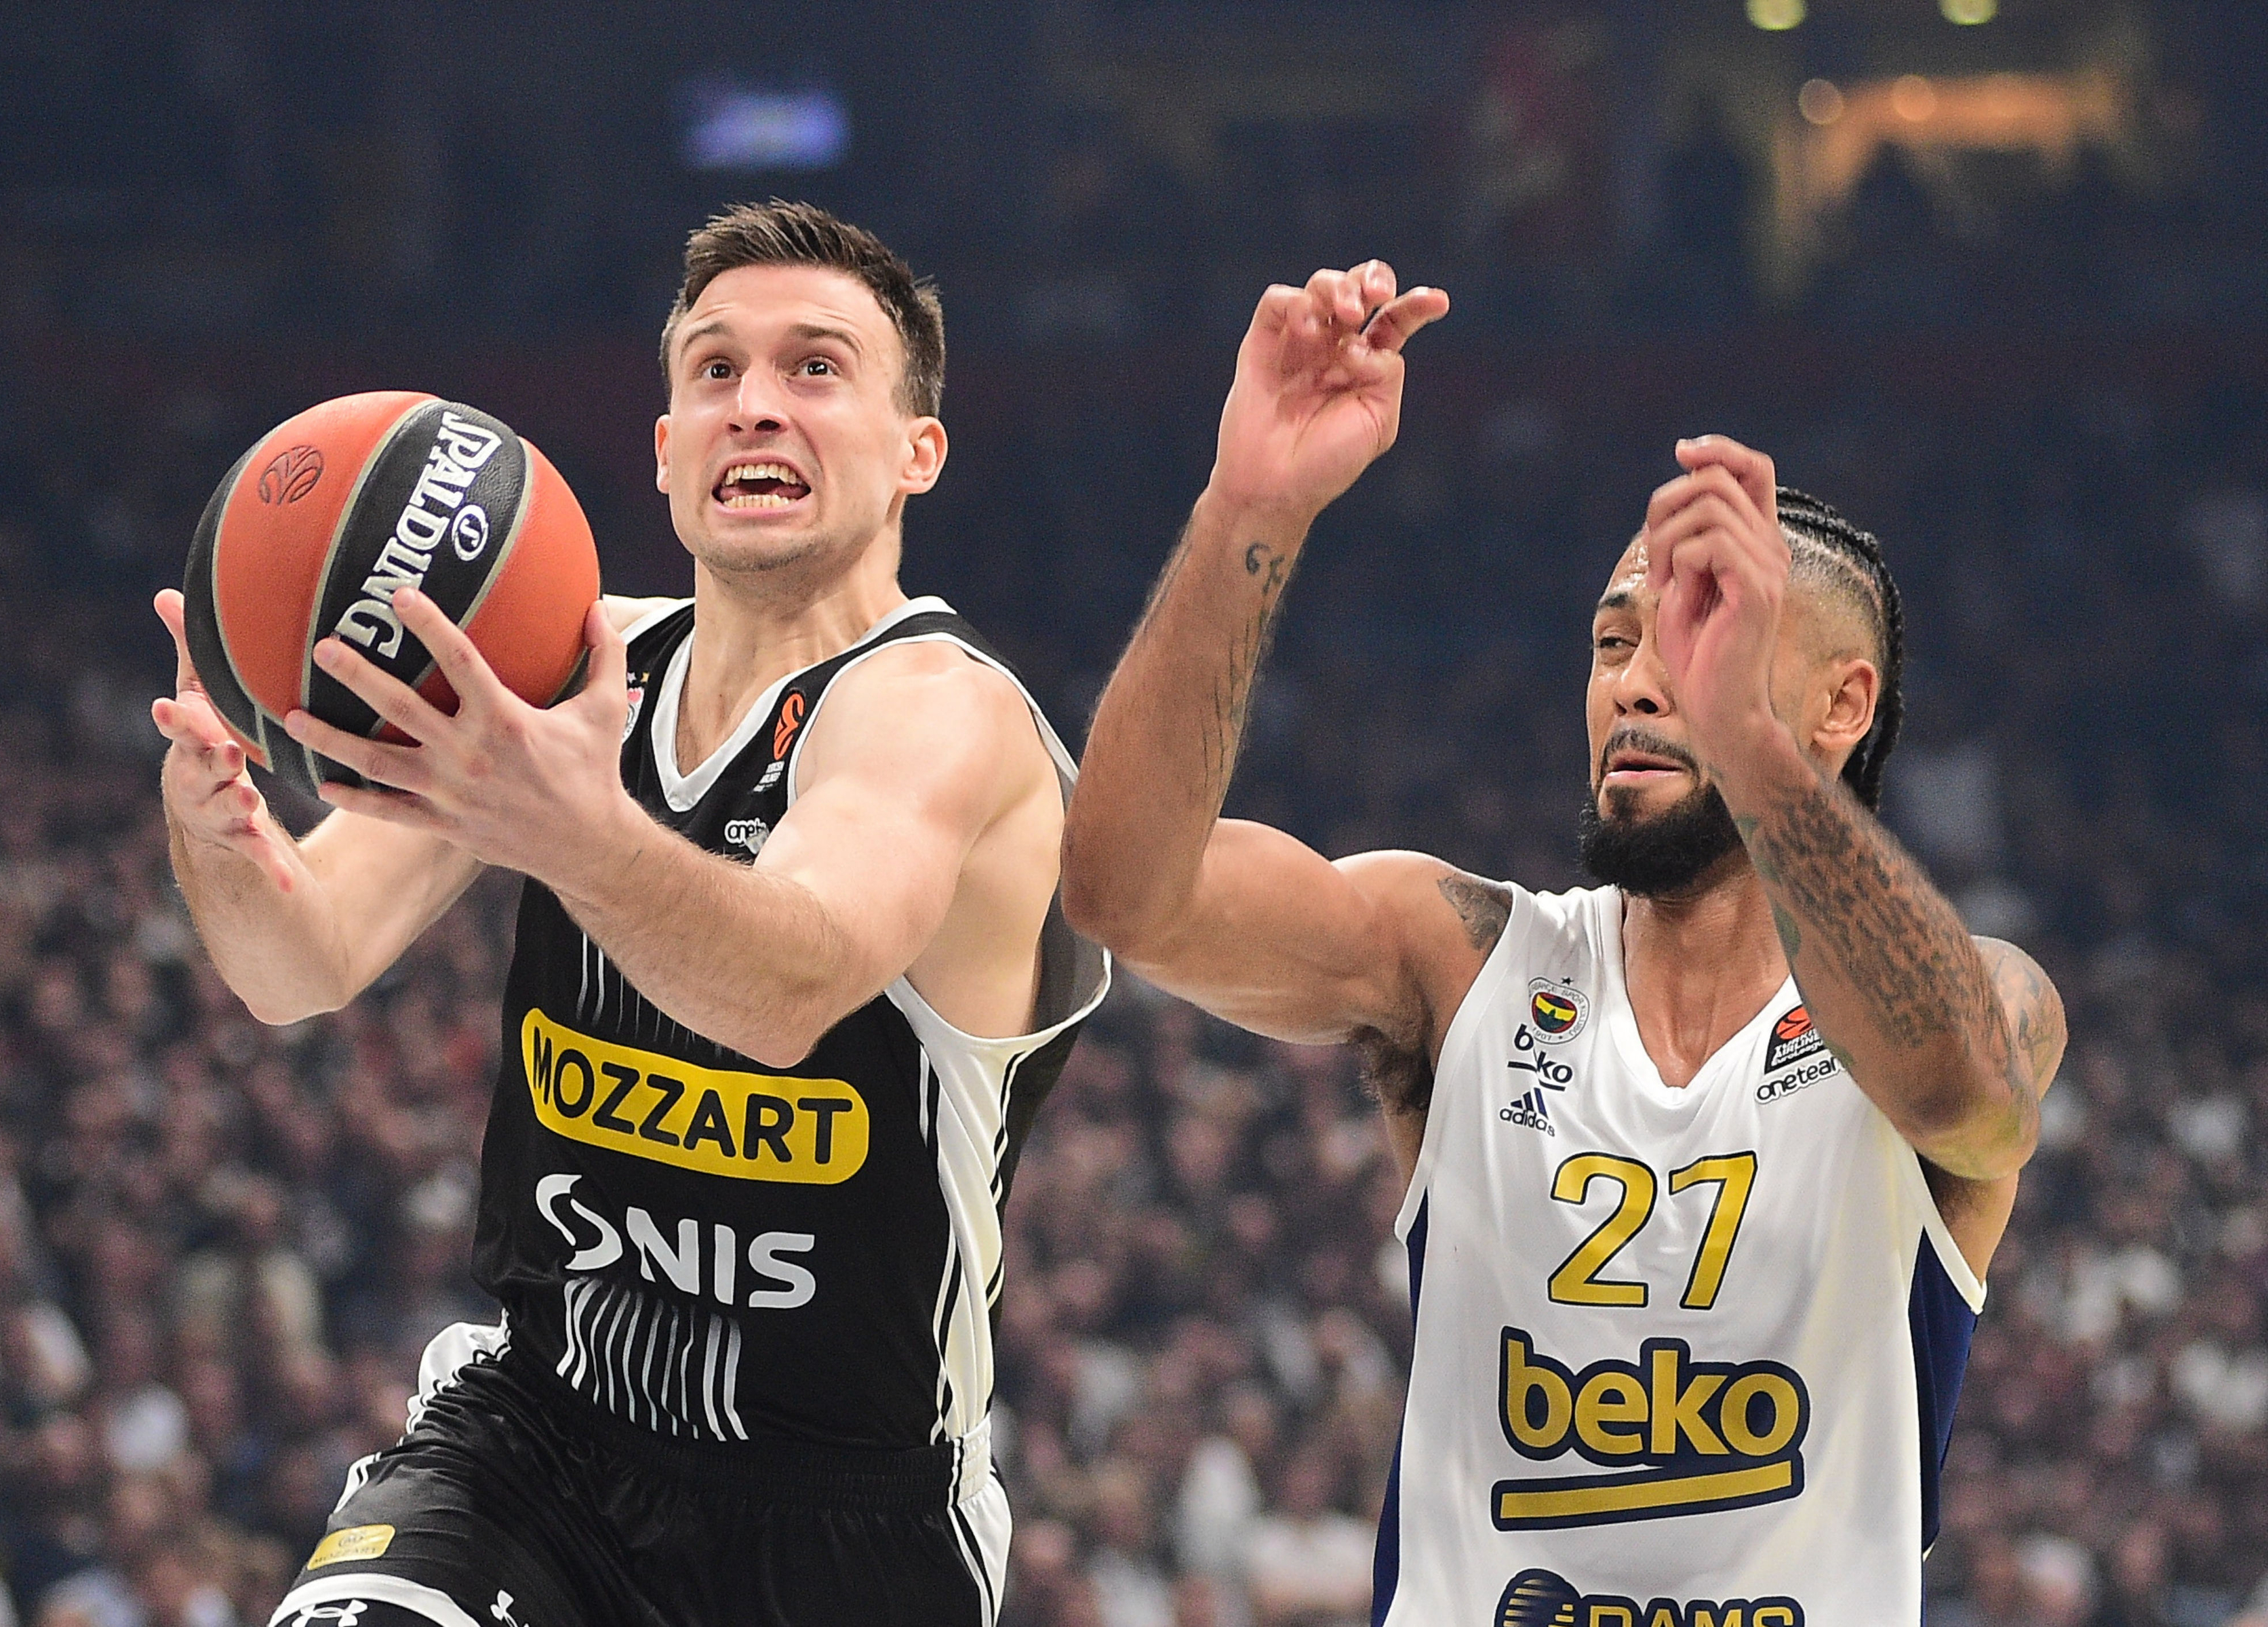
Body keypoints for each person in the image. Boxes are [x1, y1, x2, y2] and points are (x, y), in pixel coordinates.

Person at [1060, 260, 2067, 1621]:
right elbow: (1129, 894)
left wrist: (1751, 754)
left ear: (1839, 708)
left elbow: (1972, 1100)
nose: (1637, 680)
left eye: (1700, 636)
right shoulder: (1464, 958)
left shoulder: (1971, 1002)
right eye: (1610, 643)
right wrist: (1255, 506)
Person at [152, 200, 1107, 1627]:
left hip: (846, 1516)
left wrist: (564, 827)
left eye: (817, 368)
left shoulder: (941, 714)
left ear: (920, 452)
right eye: (713, 372)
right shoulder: (564, 670)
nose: (755, 407)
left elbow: (795, 988)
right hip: (534, 1440)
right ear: (662, 450)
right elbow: (299, 960)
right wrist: (216, 829)